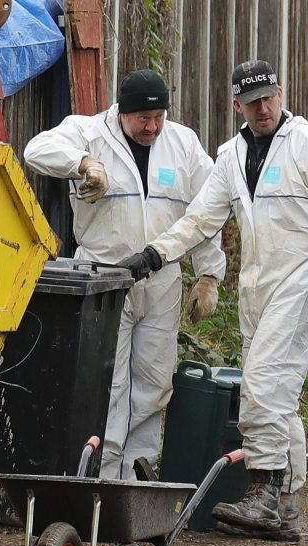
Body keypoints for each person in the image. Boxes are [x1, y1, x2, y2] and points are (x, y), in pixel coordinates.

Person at [117, 60, 308, 541]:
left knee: (263, 386)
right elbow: (200, 218)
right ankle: (288, 504)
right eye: (253, 102)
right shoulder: (230, 155)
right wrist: (155, 254)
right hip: (257, 287)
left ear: (281, 93)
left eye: (269, 97)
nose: (264, 107)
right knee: (279, 395)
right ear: (238, 105)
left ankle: (263, 493)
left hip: (303, 281)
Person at [23, 69, 226, 480]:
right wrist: (83, 164)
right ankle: (101, 474)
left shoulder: (183, 144)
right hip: (105, 280)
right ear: (123, 113)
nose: (152, 126)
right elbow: (35, 149)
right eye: (142, 119)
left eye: (159, 117)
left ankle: (136, 475)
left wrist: (208, 274)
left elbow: (206, 210)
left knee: (154, 380)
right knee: (109, 384)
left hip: (161, 281)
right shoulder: (90, 132)